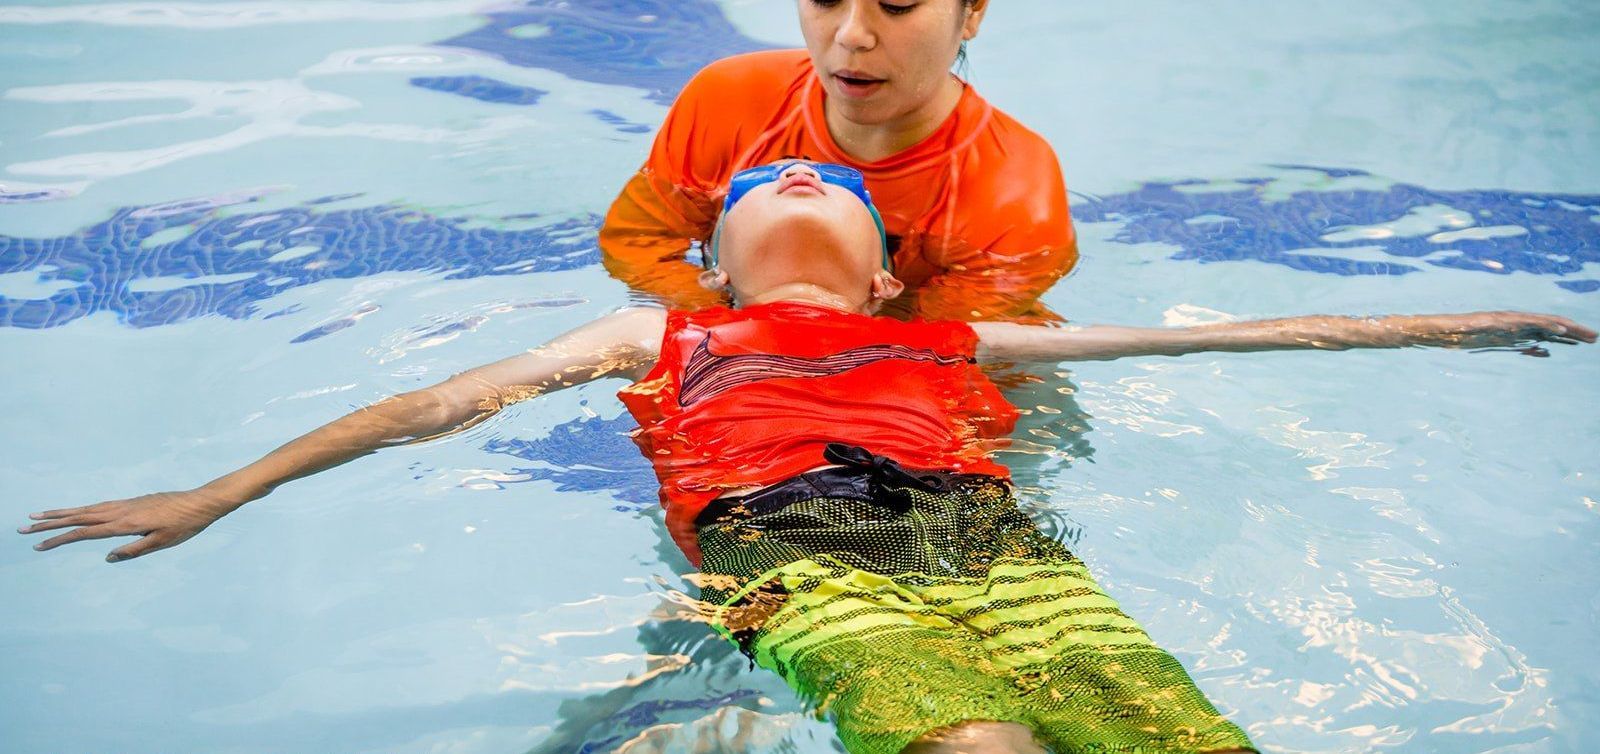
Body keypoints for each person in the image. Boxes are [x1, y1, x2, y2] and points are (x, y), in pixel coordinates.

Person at [20, 163, 1592, 754]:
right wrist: (225, 489)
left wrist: (1457, 324)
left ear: (884, 262)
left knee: (1168, 726)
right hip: (784, 552)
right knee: (968, 741)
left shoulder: (961, 339)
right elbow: (438, 404)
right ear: (707, 256)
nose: (797, 186)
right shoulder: (656, 335)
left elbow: (1222, 340)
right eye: (765, 187)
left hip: (994, 537)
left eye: (827, 186)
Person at [601, 0, 1077, 322]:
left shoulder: (1012, 190)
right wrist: (733, 325)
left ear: (972, 11)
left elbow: (933, 349)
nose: (852, 36)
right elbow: (637, 245)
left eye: (896, 4)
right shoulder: (729, 103)